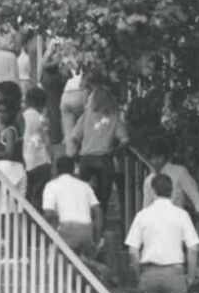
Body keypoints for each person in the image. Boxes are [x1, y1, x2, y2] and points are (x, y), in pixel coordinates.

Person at [67, 82, 128, 216]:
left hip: (86, 159)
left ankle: (85, 226)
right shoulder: (114, 116)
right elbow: (125, 140)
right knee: (102, 201)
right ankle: (100, 233)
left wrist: (78, 149)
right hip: (104, 160)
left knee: (84, 200)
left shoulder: (86, 116)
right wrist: (115, 150)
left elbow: (74, 137)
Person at [42, 155, 103, 258]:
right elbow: (98, 210)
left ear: (56, 170)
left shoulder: (51, 185)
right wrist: (97, 236)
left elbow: (48, 214)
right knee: (80, 262)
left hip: (66, 231)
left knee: (59, 264)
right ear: (73, 169)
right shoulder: (85, 185)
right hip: (86, 232)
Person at [142, 137, 199, 223]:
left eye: (159, 157)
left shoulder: (179, 172)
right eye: (152, 158)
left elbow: (196, 198)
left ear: (165, 157)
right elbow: (146, 209)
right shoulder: (148, 181)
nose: (156, 162)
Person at [0, 80, 27, 191]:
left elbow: (11, 150)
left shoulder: (15, 122)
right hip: (13, 168)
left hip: (14, 168)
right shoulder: (8, 124)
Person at [22, 86, 52, 207]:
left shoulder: (20, 118)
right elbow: (47, 141)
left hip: (25, 163)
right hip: (41, 162)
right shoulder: (42, 119)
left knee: (26, 198)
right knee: (39, 198)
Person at [59, 69, 88, 152]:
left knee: (68, 132)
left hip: (65, 95)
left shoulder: (70, 64)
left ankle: (70, 156)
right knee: (84, 127)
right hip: (80, 93)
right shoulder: (87, 65)